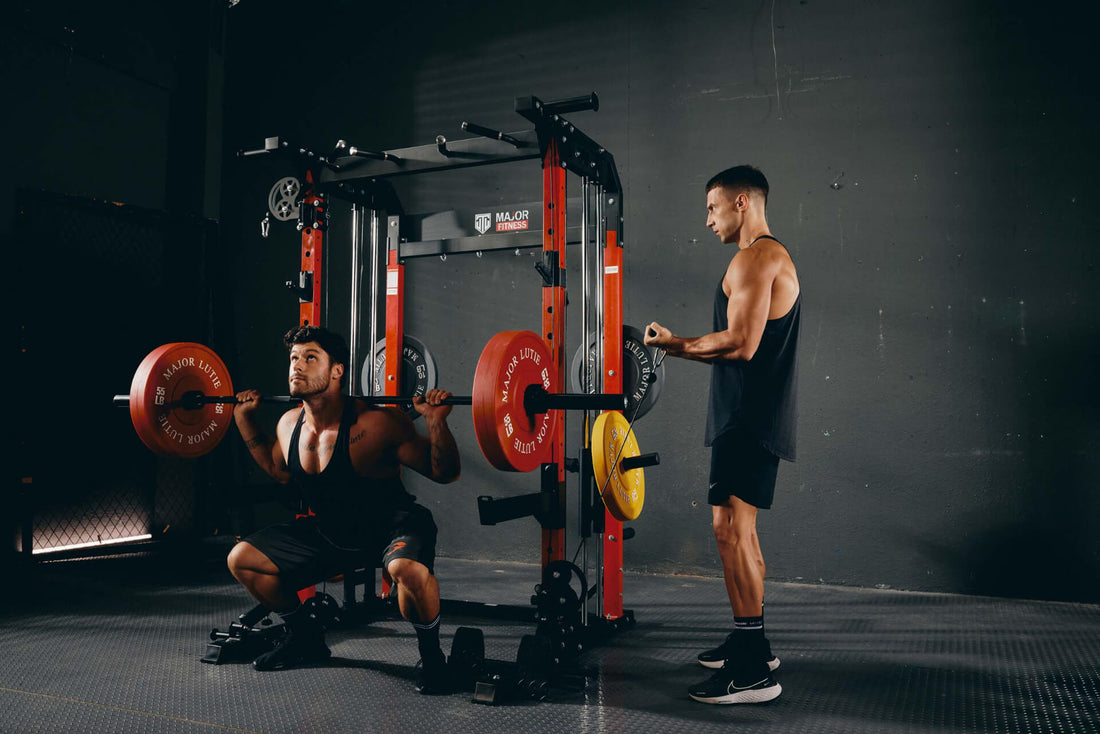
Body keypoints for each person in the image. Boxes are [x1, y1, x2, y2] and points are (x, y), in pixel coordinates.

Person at [227, 325, 461, 694]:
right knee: (242, 558)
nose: (297, 367)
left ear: (336, 370)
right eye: (293, 358)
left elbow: (443, 473)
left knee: (405, 570)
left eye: (309, 358)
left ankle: (433, 659)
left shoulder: (378, 424)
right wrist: (243, 422)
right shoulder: (289, 425)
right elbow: (278, 471)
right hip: (330, 533)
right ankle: (305, 639)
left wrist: (436, 421)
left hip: (393, 527)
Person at [645, 165, 799, 705]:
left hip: (749, 418)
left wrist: (674, 343)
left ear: (741, 203)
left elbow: (741, 343)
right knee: (733, 530)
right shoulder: (760, 258)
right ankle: (751, 640)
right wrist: (676, 346)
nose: (706, 219)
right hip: (745, 416)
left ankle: (755, 671)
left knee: (733, 531)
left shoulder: (757, 256)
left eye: (712, 207)